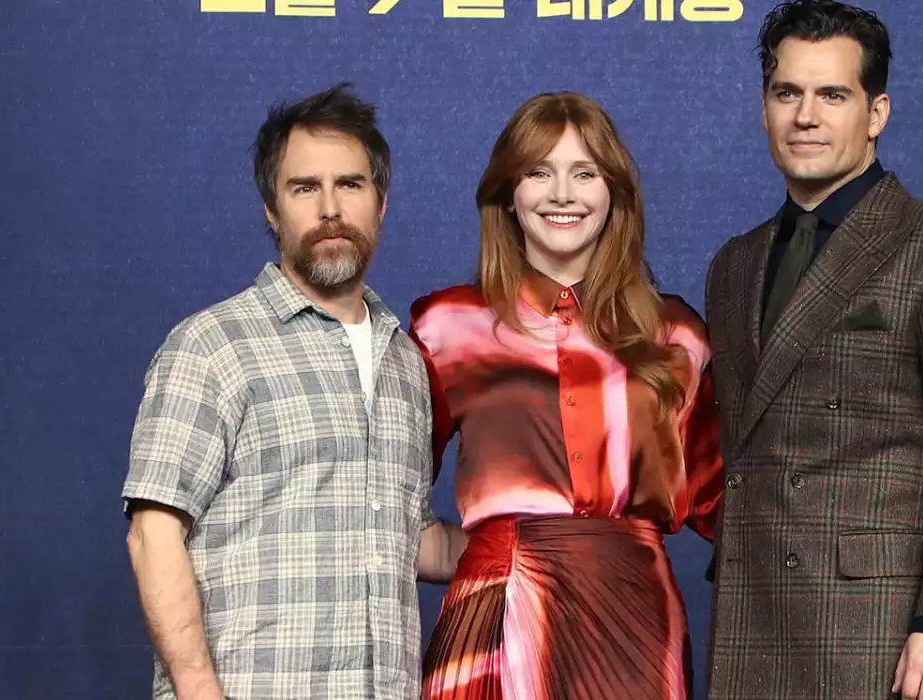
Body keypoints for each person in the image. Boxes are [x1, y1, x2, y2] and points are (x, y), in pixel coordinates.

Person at [702, 2, 923, 699]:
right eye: (787, 93)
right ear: (764, 108)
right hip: (756, 621)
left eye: (832, 95)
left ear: (876, 112)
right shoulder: (734, 265)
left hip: (889, 631)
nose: (805, 116)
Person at [121, 83, 465, 700]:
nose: (330, 207)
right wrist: (199, 691)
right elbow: (153, 533)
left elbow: (412, 541)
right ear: (272, 211)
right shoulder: (212, 345)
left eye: (350, 184)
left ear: (381, 203)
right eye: (305, 188)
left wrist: (551, 544)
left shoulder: (405, 363)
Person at [411, 91, 724, 699]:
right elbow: (382, 483)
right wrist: (472, 549)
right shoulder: (448, 325)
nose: (562, 194)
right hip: (495, 610)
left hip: (635, 621)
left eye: (585, 173)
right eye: (538, 172)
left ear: (614, 193)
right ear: (509, 193)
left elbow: (729, 500)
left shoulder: (675, 334)